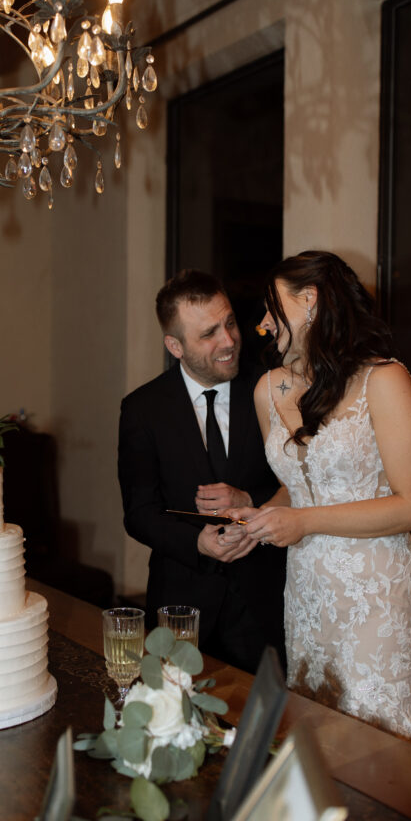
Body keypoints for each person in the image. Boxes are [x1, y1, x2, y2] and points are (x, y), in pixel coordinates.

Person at [228, 250, 411, 750]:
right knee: (319, 723)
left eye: (272, 307)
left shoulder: (385, 380)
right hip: (307, 588)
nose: (263, 324)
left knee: (378, 735)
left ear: (309, 301)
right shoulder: (267, 390)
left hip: (374, 589)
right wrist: (264, 516)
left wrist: (304, 522)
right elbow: (299, 481)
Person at [118, 270, 286, 673]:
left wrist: (251, 501)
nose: (228, 341)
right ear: (174, 345)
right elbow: (139, 513)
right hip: (182, 603)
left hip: (265, 598)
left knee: (271, 727)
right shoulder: (142, 409)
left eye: (229, 323)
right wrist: (198, 545)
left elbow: (302, 481)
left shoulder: (269, 387)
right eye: (208, 333)